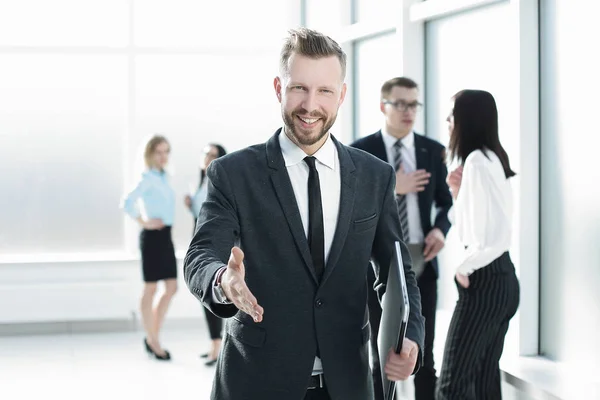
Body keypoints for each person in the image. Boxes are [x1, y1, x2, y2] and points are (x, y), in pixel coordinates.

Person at [183, 28, 425, 400]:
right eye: (299, 88)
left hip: (348, 383)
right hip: (258, 382)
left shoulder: (375, 176)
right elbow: (201, 254)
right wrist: (222, 280)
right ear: (279, 88)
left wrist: (410, 335)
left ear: (341, 95)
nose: (311, 105)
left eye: (324, 91)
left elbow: (396, 269)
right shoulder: (233, 174)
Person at [351, 77, 452, 400]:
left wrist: (440, 229)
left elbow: (447, 202)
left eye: (414, 104)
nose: (409, 111)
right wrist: (395, 187)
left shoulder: (433, 151)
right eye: (401, 104)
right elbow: (352, 203)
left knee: (423, 352)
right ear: (384, 106)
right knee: (381, 355)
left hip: (422, 258)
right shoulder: (361, 151)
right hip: (377, 266)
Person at [437, 90, 520, 399]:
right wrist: (458, 194)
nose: (447, 122)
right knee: (484, 386)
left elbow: (492, 237)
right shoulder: (492, 158)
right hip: (503, 281)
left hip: (485, 280)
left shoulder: (476, 161)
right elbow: (476, 226)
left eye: (452, 115)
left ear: (466, 120)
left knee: (451, 386)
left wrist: (464, 267)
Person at [121, 135, 178, 361]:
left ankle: (152, 336)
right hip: (152, 238)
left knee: (171, 288)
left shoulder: (163, 177)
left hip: (166, 237)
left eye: (166, 151)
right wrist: (144, 221)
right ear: (150, 154)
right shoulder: (147, 178)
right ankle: (153, 340)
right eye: (159, 152)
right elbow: (126, 202)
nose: (163, 156)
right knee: (150, 289)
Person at [184, 143, 227, 366]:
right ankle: (214, 344)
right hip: (198, 241)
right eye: (205, 154)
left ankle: (218, 346)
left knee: (216, 291)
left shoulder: (219, 181)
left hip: (214, 244)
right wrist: (190, 205)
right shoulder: (201, 182)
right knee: (205, 294)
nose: (207, 158)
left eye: (212, 155)